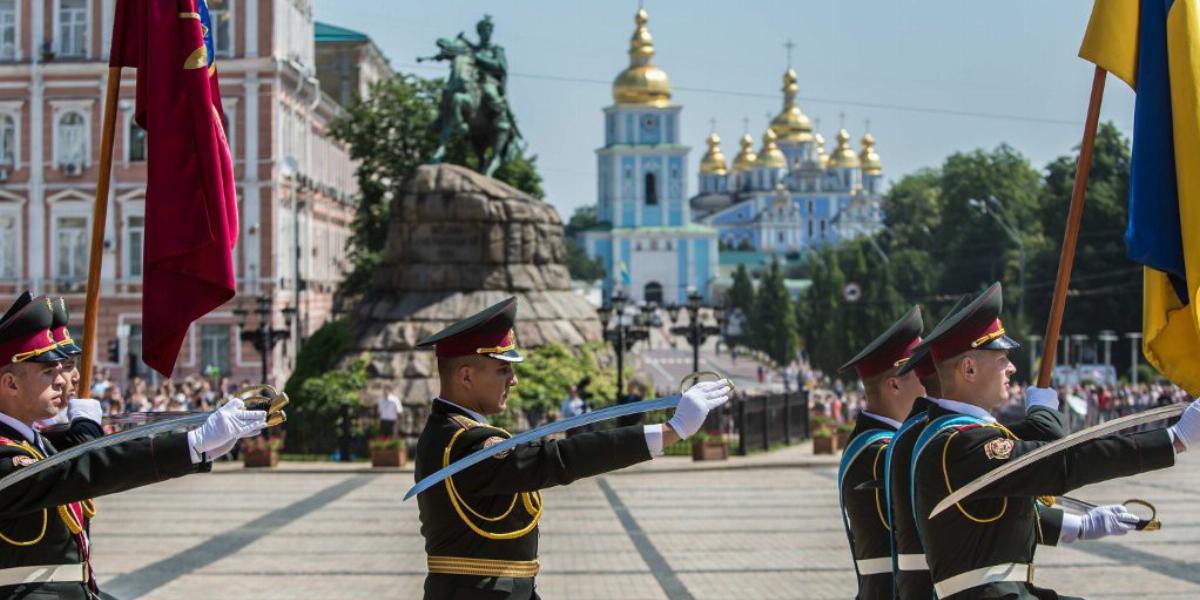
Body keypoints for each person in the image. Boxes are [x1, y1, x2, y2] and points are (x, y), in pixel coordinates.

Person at [413, 297, 731, 600]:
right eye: (503, 370)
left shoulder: (452, 432)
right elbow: (559, 459)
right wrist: (669, 430)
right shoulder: (463, 441)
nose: (513, 380)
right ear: (466, 376)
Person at [911, 283, 1197, 599]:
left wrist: (1083, 525)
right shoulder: (959, 444)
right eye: (1002, 358)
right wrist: (1173, 439)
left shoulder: (958, 437)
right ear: (969, 368)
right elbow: (1060, 461)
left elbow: (1004, 512)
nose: (1012, 368)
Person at [0, 292, 270, 599]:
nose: (63, 380)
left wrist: (200, 449)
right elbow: (79, 473)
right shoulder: (7, 454)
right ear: (11, 384)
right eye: (49, 372)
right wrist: (190, 445)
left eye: (63, 369)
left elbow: (79, 460)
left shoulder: (38, 443)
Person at [836, 306, 926, 599]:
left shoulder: (878, 443)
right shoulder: (881, 451)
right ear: (894, 384)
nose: (931, 380)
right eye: (922, 372)